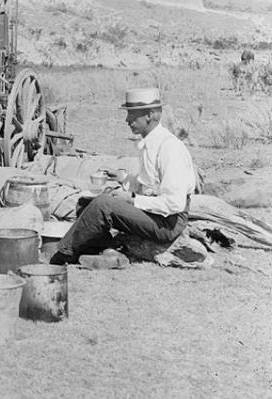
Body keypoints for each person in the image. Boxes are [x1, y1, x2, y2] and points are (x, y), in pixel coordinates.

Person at [50, 87, 197, 266]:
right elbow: (149, 183)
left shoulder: (170, 148)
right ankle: (109, 252)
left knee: (103, 205)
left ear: (149, 115)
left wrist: (132, 199)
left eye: (132, 115)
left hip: (168, 223)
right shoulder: (150, 143)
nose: (127, 120)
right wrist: (123, 178)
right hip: (157, 214)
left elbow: (174, 203)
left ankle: (61, 255)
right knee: (86, 203)